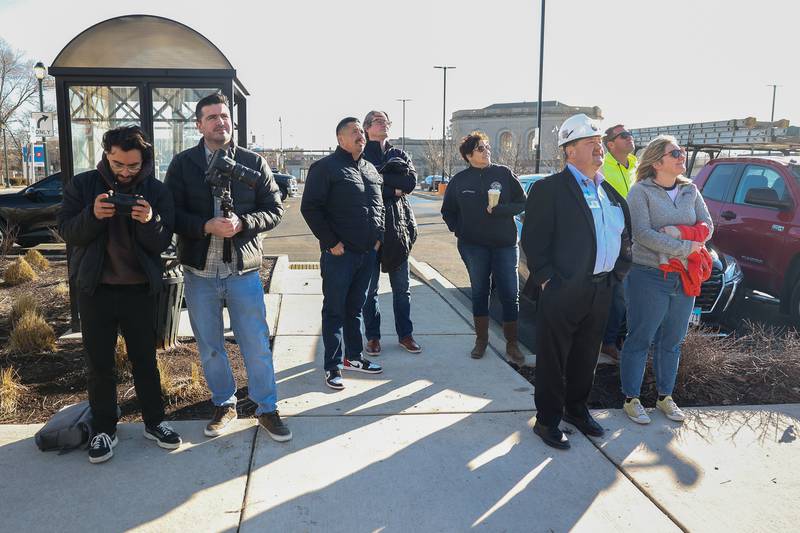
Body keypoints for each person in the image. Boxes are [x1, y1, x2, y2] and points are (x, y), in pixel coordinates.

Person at [165, 93, 291, 442]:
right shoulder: (183, 164)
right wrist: (205, 225)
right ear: (199, 124)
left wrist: (244, 223)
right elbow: (171, 212)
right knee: (210, 345)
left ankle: (267, 408)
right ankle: (224, 403)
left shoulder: (252, 162)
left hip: (243, 272)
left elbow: (275, 209)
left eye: (224, 116)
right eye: (212, 117)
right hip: (199, 273)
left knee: (255, 344)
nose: (221, 122)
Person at [58, 125, 181, 463]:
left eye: (133, 166)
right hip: (95, 289)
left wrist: (150, 220)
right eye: (118, 165)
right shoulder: (83, 186)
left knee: (145, 361)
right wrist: (92, 215)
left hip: (139, 291)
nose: (126, 172)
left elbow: (163, 243)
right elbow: (69, 232)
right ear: (106, 156)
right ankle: (103, 429)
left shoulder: (156, 191)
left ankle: (155, 422)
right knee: (99, 365)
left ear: (145, 161)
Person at [521, 114, 632, 450]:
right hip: (563, 290)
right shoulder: (548, 190)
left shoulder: (609, 192)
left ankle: (577, 410)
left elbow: (625, 237)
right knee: (554, 358)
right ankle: (547, 420)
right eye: (589, 142)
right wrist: (549, 281)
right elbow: (534, 241)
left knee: (587, 357)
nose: (598, 147)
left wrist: (617, 274)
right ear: (569, 151)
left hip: (601, 289)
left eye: (599, 142)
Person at [620, 135, 713, 425]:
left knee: (672, 341)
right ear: (657, 161)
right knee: (640, 338)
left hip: (685, 277)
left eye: (681, 151)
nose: (681, 156)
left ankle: (664, 398)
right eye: (675, 152)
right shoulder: (640, 192)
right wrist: (687, 247)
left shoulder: (690, 190)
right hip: (649, 276)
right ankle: (631, 399)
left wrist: (679, 233)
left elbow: (708, 226)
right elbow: (643, 235)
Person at [301, 117, 385, 390]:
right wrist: (330, 242)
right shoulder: (325, 168)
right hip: (340, 254)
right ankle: (332, 366)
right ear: (340, 139)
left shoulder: (371, 169)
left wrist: (377, 240)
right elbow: (310, 208)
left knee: (355, 308)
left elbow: (380, 208)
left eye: (362, 131)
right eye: (354, 132)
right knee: (335, 310)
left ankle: (354, 357)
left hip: (366, 254)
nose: (361, 135)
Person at [441, 131, 526, 362]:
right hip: (473, 246)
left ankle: (512, 343)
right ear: (469, 155)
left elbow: (522, 202)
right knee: (480, 292)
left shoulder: (503, 173)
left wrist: (501, 211)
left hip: (505, 245)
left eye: (487, 146)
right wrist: (460, 230)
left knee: (510, 293)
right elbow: (448, 211)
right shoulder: (459, 181)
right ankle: (481, 340)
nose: (486, 150)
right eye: (481, 148)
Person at [361, 110, 421, 356]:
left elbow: (409, 184)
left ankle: (405, 335)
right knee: (370, 290)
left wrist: (381, 181)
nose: (383, 123)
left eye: (386, 120)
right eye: (377, 120)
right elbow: (362, 186)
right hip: (370, 230)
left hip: (398, 230)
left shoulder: (399, 154)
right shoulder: (361, 154)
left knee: (401, 288)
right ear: (366, 127)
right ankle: (373, 337)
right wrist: (392, 187)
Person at [600, 124, 638, 361]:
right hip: (614, 240)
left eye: (629, 133)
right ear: (611, 144)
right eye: (623, 136)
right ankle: (608, 341)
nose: (629, 137)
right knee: (619, 294)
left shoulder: (637, 166)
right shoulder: (602, 168)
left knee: (631, 294)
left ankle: (620, 337)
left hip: (639, 241)